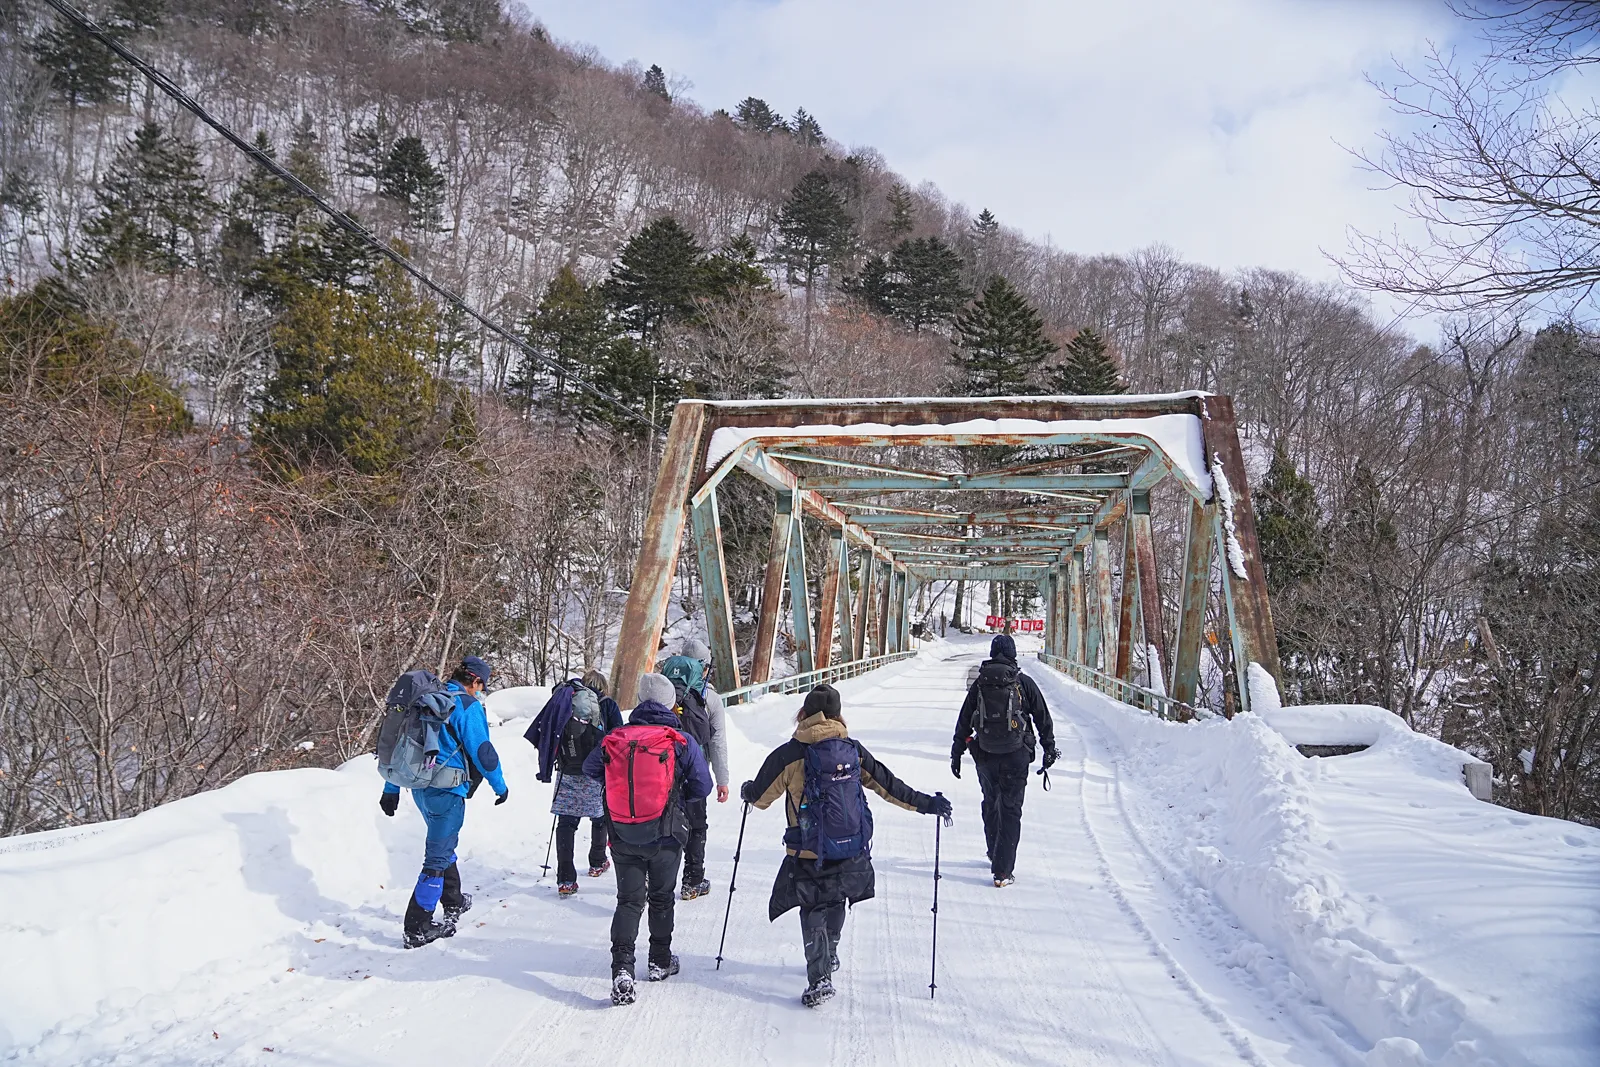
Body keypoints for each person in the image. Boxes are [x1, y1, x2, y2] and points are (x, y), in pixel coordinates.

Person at [741, 683, 952, 1008]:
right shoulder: (852, 750)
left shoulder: (789, 753)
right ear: (838, 715)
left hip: (807, 849)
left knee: (812, 906)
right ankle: (832, 952)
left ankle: (820, 976)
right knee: (836, 897)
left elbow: (761, 799)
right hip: (849, 848)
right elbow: (890, 786)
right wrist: (928, 804)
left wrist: (748, 791)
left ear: (804, 714)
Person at [583, 672, 712, 1006]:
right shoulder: (679, 740)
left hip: (623, 832)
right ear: (671, 704)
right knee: (661, 897)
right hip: (666, 833)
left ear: (640, 702)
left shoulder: (615, 737)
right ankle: (659, 960)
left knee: (628, 901)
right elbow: (703, 786)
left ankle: (622, 968)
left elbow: (589, 768)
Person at [379, 655, 509, 948]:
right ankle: (417, 925)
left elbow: (403, 749)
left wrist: (392, 788)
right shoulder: (466, 705)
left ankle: (454, 900)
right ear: (474, 680)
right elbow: (483, 752)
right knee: (437, 856)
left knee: (443, 843)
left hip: (420, 789)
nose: (481, 691)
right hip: (447, 792)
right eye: (481, 685)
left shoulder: (424, 701)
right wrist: (499, 785)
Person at [950, 634, 1057, 888]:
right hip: (1016, 755)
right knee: (1011, 810)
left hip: (985, 755)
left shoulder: (980, 684)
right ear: (1013, 654)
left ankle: (992, 851)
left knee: (990, 802)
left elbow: (964, 719)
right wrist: (1049, 749)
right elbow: (1043, 718)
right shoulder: (1022, 682)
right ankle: (1002, 871)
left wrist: (957, 752)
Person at [527, 672, 616, 896]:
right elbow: (617, 737)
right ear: (603, 688)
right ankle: (597, 862)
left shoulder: (567, 702)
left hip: (568, 770)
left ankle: (566, 879)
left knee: (566, 823)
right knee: (600, 816)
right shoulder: (608, 705)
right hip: (596, 771)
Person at [659, 637, 730, 900]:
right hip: (694, 772)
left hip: (662, 770)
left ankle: (651, 879)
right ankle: (692, 880)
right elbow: (717, 741)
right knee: (696, 825)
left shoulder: (663, 691)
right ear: (705, 667)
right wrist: (722, 779)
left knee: (661, 823)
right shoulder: (709, 698)